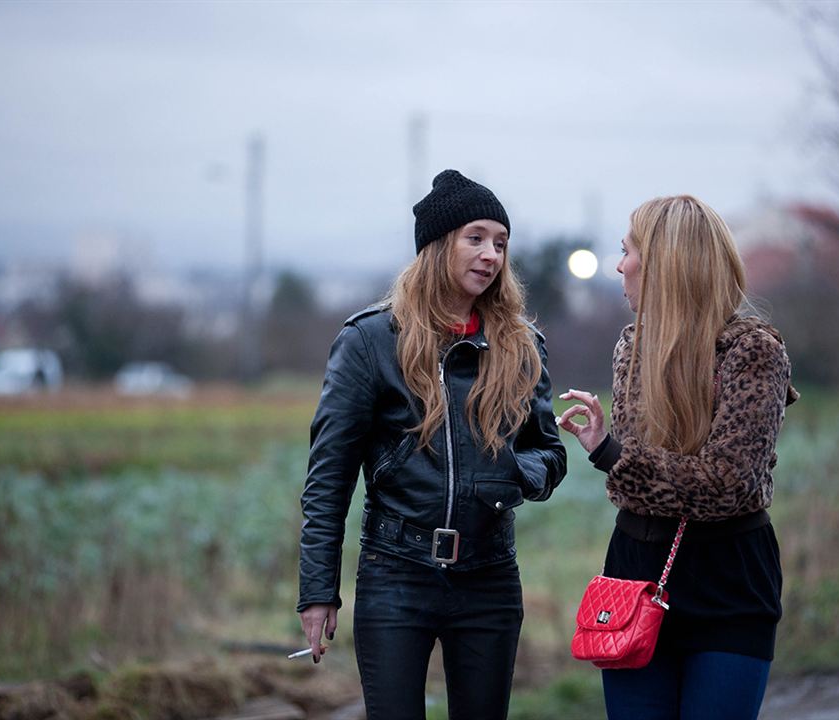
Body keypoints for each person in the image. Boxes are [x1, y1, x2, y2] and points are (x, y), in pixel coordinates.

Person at [297, 169, 567, 720]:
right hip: (395, 572)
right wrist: (317, 590)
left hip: (489, 576)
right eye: (476, 237)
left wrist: (515, 472)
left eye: (501, 242)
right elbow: (329, 477)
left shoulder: (521, 344)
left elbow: (549, 450)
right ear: (437, 245)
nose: (491, 254)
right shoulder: (370, 341)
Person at [557, 195, 798, 720]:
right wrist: (614, 457)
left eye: (627, 251)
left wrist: (616, 457)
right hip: (635, 571)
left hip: (729, 581)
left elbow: (727, 484)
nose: (619, 265)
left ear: (666, 263)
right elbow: (627, 487)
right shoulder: (631, 347)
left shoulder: (753, 350)